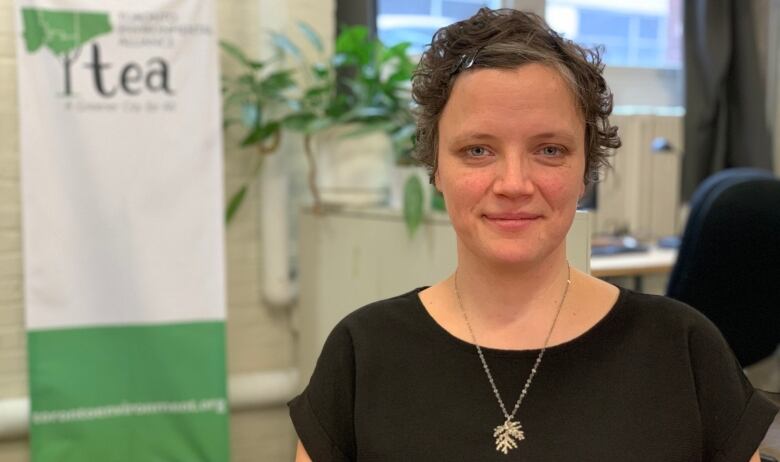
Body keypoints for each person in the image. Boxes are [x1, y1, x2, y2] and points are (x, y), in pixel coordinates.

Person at [289, 7, 778, 461]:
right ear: (435, 166)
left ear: (587, 166)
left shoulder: (684, 348)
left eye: (549, 150)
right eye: (478, 150)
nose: (514, 184)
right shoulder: (363, 352)